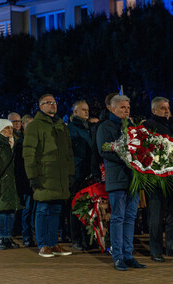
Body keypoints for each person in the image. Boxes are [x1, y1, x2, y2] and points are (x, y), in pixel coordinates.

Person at [97, 95, 146, 271]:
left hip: (133, 179)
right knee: (118, 217)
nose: (127, 110)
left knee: (131, 217)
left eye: (128, 107)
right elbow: (104, 150)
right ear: (112, 108)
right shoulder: (105, 126)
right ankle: (117, 256)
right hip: (117, 178)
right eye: (123, 107)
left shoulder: (133, 127)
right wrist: (128, 158)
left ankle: (128, 254)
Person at [23, 94, 74, 258]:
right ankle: (43, 244)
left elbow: (68, 152)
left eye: (54, 102)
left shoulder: (61, 125)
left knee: (55, 210)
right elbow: (29, 153)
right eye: (48, 102)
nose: (53, 105)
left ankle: (53, 243)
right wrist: (33, 176)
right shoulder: (34, 126)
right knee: (43, 210)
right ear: (40, 106)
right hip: (44, 175)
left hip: (59, 176)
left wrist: (70, 173)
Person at [143, 97, 173, 262]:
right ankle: (155, 250)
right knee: (156, 216)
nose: (166, 111)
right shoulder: (147, 126)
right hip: (156, 178)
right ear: (154, 110)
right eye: (162, 108)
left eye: (167, 108)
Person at [0, 119, 21, 250]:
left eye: (11, 127)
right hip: (2, 182)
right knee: (1, 211)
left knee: (11, 210)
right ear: (1, 129)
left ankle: (8, 237)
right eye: (7, 128)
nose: (10, 130)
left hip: (12, 182)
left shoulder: (14, 143)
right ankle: (2, 238)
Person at [68, 100, 93, 251]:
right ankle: (76, 239)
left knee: (86, 206)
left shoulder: (87, 128)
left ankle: (86, 238)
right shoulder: (72, 129)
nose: (86, 112)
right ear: (75, 112)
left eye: (87, 109)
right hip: (77, 173)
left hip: (87, 173)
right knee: (75, 207)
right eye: (83, 110)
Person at [14, 114, 35, 247]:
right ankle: (26, 236)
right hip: (26, 182)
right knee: (27, 211)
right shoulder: (20, 143)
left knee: (34, 211)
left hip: (36, 182)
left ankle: (32, 235)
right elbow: (18, 167)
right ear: (24, 125)